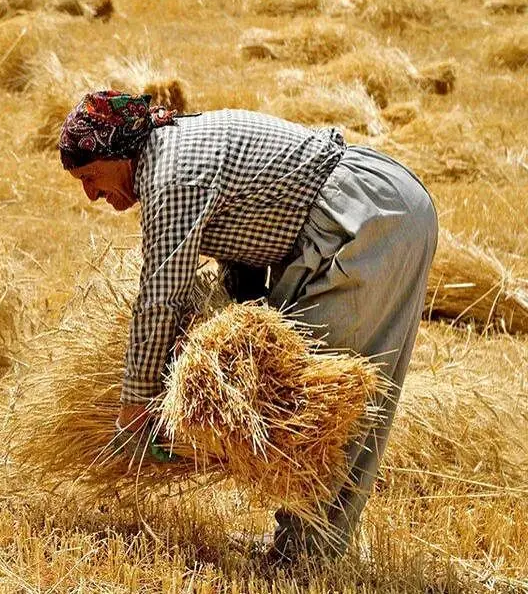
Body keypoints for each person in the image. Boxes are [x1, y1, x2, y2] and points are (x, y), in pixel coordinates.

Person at [57, 90, 438, 564]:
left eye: (91, 177)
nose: (90, 194)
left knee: (318, 399)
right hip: (369, 208)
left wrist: (135, 406)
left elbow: (161, 298)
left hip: (369, 219)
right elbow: (244, 238)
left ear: (120, 152)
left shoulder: (172, 174)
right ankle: (302, 546)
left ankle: (306, 557)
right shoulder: (170, 151)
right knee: (305, 395)